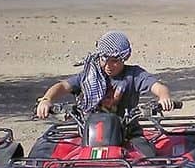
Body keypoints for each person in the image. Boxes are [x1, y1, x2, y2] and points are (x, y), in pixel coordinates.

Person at [35, 30, 174, 157]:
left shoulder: (134, 75)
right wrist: (47, 99)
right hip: (90, 135)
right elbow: (63, 86)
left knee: (149, 157)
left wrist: (164, 97)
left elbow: (158, 87)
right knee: (48, 155)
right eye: (104, 60)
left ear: (125, 58)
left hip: (128, 134)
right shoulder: (90, 76)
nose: (108, 66)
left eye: (114, 61)